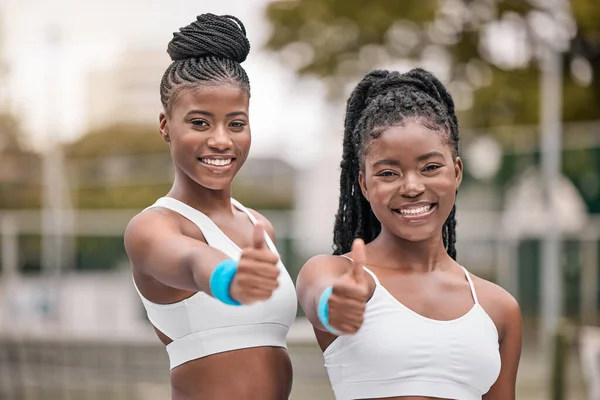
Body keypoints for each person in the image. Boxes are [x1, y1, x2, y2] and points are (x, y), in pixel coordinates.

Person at [296, 68, 522, 400]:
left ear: (456, 172)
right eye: (388, 172)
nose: (413, 187)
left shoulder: (499, 308)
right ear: (364, 185)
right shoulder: (335, 274)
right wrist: (335, 305)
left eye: (431, 168)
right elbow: (322, 297)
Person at [124, 14, 297, 400]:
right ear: (166, 125)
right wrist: (230, 280)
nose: (221, 140)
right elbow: (192, 261)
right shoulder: (153, 228)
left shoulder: (259, 228)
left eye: (236, 124)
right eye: (200, 123)